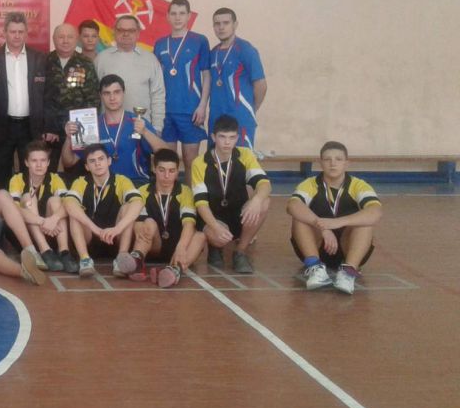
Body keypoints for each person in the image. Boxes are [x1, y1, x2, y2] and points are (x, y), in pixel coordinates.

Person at [287, 141, 381, 295]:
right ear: (320, 163)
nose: (333, 163)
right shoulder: (309, 184)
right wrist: (323, 228)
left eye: (338, 159)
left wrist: (337, 222)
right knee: (299, 217)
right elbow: (292, 206)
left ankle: (348, 272)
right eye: (327, 159)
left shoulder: (359, 185)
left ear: (347, 163)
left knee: (365, 222)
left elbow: (376, 212)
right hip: (317, 246)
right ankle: (315, 268)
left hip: (348, 247)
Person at [114, 149, 206, 288]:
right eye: (162, 170)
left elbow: (189, 223)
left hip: (176, 248)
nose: (166, 176)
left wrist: (181, 247)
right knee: (148, 223)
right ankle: (137, 261)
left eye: (171, 171)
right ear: (154, 169)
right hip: (152, 246)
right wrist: (140, 232)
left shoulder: (185, 192)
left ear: (177, 171)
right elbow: (138, 224)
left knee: (200, 236)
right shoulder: (142, 191)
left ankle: (174, 270)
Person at [191, 115, 272, 274]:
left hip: (237, 213)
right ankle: (214, 247)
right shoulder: (199, 163)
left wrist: (256, 200)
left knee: (264, 202)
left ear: (237, 138)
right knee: (217, 235)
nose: (227, 142)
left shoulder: (245, 155)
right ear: (213, 137)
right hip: (213, 217)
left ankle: (240, 252)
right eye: (222, 137)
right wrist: (215, 227)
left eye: (232, 137)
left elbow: (264, 183)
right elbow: (201, 204)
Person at [0, 12, 48, 190]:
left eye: (20, 32)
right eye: (13, 31)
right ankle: (0, 207)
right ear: (5, 32)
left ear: (26, 33)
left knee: (30, 174)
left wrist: (47, 126)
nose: (17, 36)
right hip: (0, 126)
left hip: (30, 126)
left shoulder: (40, 58)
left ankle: (30, 207)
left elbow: (48, 95)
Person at [61, 75, 169, 184]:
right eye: (107, 93)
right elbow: (69, 162)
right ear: (100, 95)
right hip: (105, 186)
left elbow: (166, 153)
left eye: (116, 92)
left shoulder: (138, 122)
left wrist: (145, 132)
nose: (112, 98)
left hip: (136, 183)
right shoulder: (92, 125)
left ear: (123, 93)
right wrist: (69, 138)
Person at [63, 144, 143, 277]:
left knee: (128, 207)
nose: (97, 164)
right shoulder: (81, 182)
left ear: (109, 161)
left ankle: (121, 257)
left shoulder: (121, 180)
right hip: (89, 239)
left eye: (101, 159)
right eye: (92, 161)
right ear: (87, 166)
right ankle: (85, 260)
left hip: (114, 238)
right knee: (74, 212)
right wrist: (97, 230)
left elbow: (138, 203)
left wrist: (117, 229)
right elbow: (69, 204)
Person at [153, 0, 211, 181]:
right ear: (167, 16)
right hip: (166, 111)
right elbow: (156, 78)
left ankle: (192, 198)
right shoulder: (160, 43)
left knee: (190, 160)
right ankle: (171, 198)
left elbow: (206, 75)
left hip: (190, 111)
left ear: (188, 16)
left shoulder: (200, 41)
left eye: (182, 13)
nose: (177, 17)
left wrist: (202, 106)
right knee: (168, 163)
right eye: (173, 13)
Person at [8, 141, 74, 273]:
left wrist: (54, 219)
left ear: (48, 162)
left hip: (53, 232)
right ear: (26, 163)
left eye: (43, 160)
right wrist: (43, 221)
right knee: (29, 197)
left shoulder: (55, 179)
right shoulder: (17, 179)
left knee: (57, 201)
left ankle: (64, 251)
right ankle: (45, 251)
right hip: (28, 237)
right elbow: (14, 211)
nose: (39, 165)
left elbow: (69, 205)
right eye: (34, 161)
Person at [93, 14, 166, 129]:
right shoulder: (101, 59)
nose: (126, 34)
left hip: (142, 127)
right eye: (121, 30)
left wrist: (157, 128)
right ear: (114, 32)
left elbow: (158, 96)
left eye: (131, 30)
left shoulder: (150, 59)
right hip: (108, 127)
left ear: (138, 33)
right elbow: (93, 96)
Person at [44, 23, 99, 172]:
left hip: (78, 130)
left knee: (77, 174)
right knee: (49, 174)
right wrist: (47, 127)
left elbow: (93, 99)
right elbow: (40, 98)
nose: (65, 41)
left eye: (70, 37)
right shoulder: (44, 61)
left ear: (76, 39)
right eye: (61, 37)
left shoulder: (85, 63)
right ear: (54, 39)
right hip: (51, 131)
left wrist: (85, 131)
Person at [209, 7, 266, 148]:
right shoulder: (213, 52)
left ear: (235, 24)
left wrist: (251, 108)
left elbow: (261, 84)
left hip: (240, 118)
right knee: (215, 159)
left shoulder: (246, 50)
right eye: (217, 24)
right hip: (216, 118)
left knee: (241, 159)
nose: (221, 27)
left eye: (226, 23)